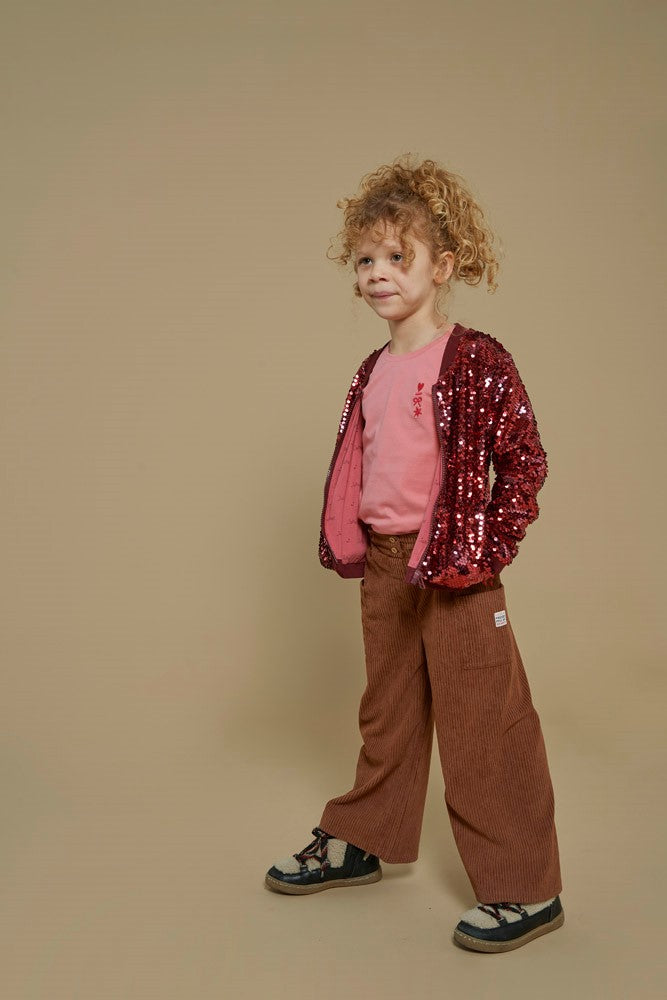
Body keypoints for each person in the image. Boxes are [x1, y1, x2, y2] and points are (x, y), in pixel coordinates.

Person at [264, 154, 564, 954]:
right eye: (365, 260)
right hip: (387, 565)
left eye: (398, 256)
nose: (378, 274)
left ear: (443, 266)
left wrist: (486, 545)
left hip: (457, 569)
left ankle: (526, 886)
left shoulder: (476, 360)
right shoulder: (372, 370)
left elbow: (524, 462)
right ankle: (364, 839)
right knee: (387, 713)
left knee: (483, 725)